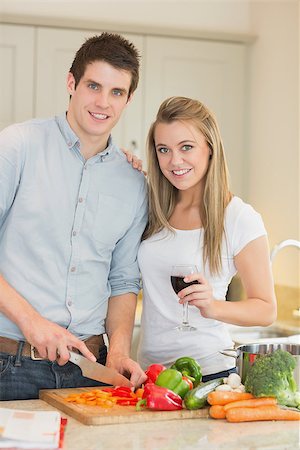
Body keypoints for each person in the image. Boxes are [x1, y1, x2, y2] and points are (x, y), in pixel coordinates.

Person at [0, 32, 148, 400]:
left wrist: (118, 351)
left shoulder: (133, 183)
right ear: (72, 82)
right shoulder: (17, 147)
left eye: (117, 92)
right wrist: (33, 324)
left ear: (129, 99)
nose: (103, 102)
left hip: (90, 371)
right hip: (11, 365)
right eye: (94, 86)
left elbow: (123, 280)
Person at [137, 96, 277, 381]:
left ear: (210, 149)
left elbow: (266, 310)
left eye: (186, 147)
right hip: (149, 375)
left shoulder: (238, 218)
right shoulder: (152, 208)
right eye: (164, 149)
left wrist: (213, 306)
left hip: (209, 375)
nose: (174, 161)